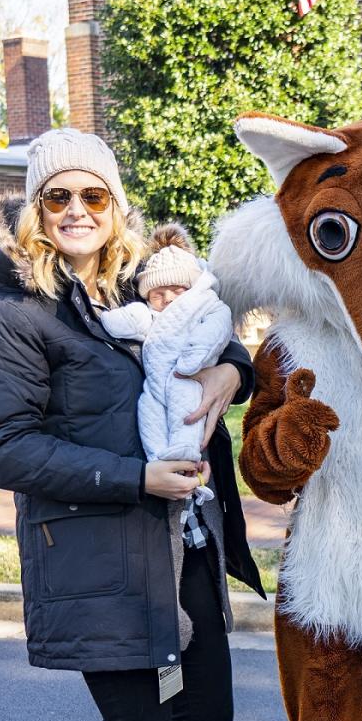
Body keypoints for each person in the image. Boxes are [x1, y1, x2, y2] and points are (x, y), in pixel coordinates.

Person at [0, 129, 264, 721]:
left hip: (186, 540)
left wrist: (228, 377)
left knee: (206, 718)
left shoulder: (140, 284)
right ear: (33, 211)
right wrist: (136, 477)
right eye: (57, 198)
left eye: (93, 196)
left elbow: (219, 331)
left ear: (115, 204)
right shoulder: (12, 315)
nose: (76, 213)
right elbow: (2, 447)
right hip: (96, 554)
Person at [100, 226, 235, 557]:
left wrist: (223, 367)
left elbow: (220, 330)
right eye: (157, 294)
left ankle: (184, 452)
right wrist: (107, 319)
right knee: (148, 413)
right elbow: (130, 320)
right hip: (153, 387)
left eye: (176, 290)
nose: (167, 300)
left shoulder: (204, 304)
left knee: (185, 410)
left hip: (185, 377)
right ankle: (159, 457)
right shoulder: (151, 313)